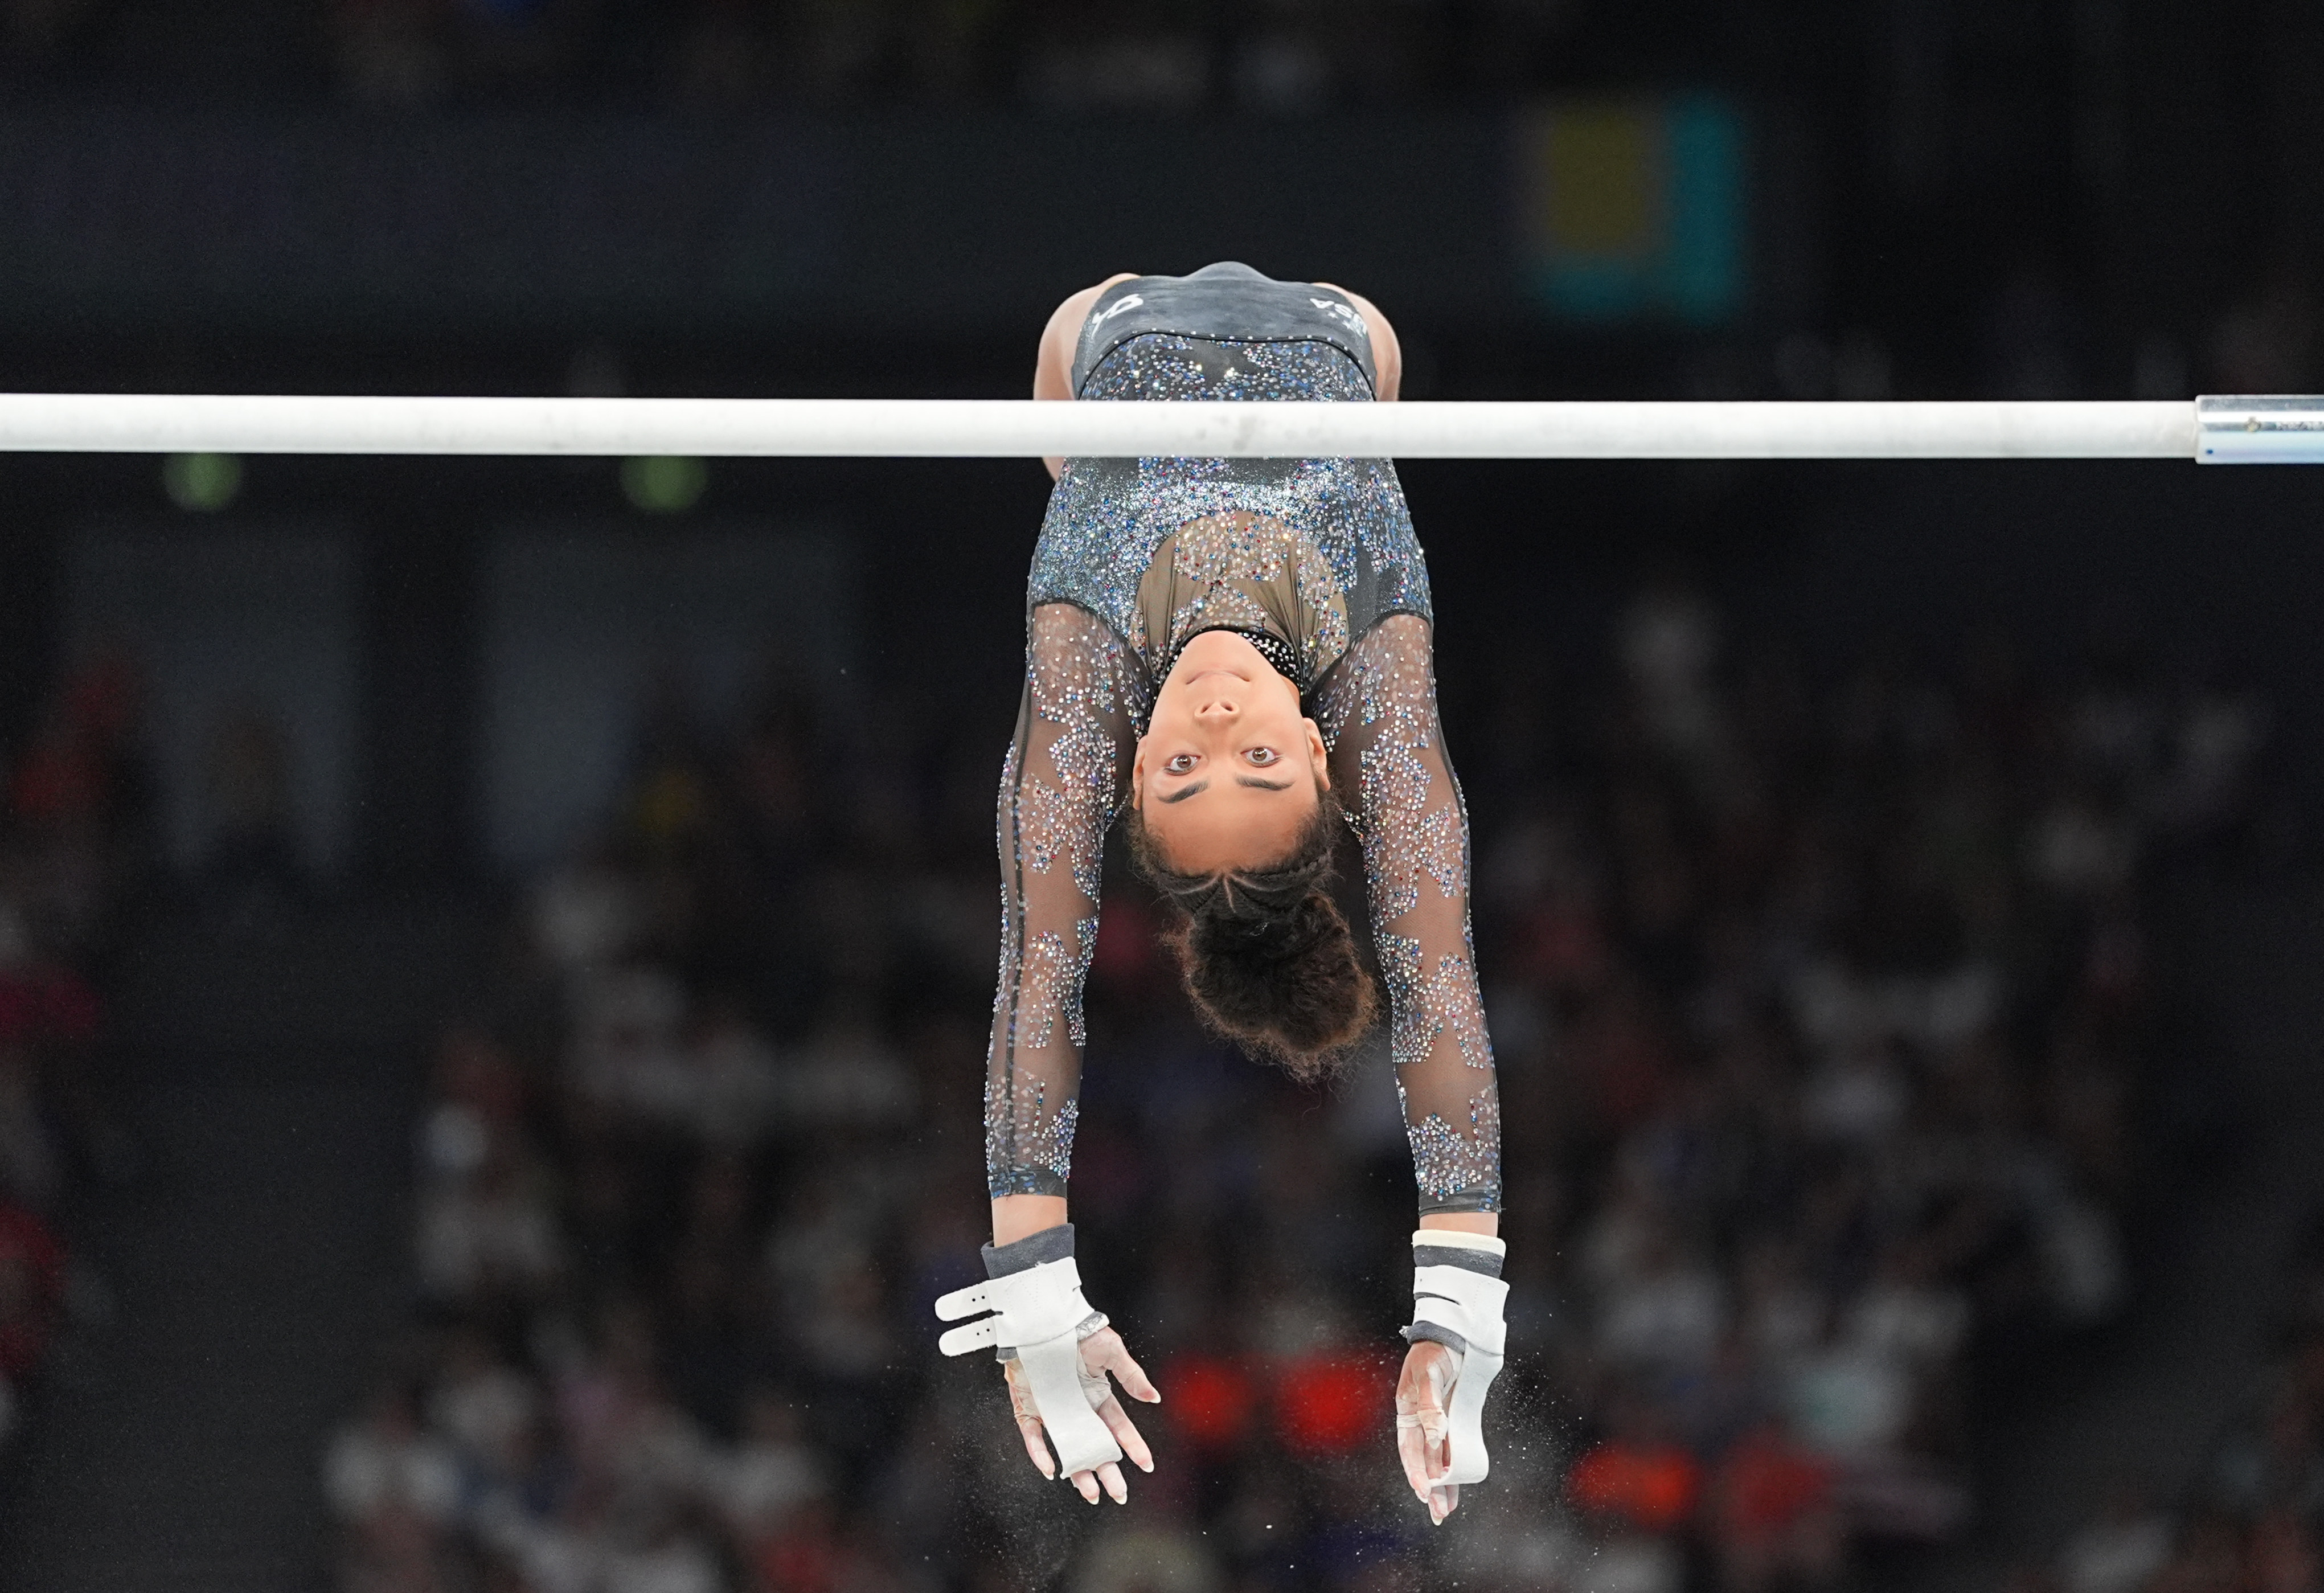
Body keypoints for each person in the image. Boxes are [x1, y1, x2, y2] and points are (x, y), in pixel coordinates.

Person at [934, 263, 1506, 1526]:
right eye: (1256, 759)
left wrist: (1032, 1282)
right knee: (1374, 366)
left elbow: (1041, 966)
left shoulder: (1086, 665)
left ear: (1135, 767)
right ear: (1318, 745)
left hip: (1107, 331)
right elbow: (1437, 977)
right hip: (1347, 326)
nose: (1215, 719)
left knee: (1071, 423)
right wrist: (1461, 1291)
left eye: (1184, 769)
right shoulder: (1376, 670)